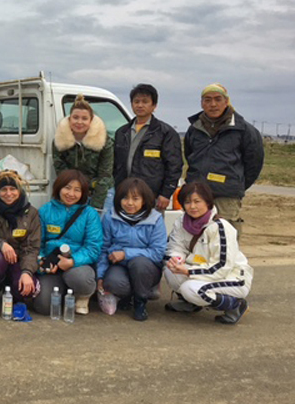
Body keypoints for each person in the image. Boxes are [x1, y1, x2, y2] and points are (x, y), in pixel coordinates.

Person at [163, 181, 253, 324]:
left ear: (208, 202)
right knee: (170, 271)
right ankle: (191, 303)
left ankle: (235, 305)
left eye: (197, 201)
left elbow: (222, 266)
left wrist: (189, 272)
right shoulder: (182, 221)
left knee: (191, 289)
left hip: (231, 277)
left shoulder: (221, 227)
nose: (192, 206)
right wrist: (176, 260)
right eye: (187, 202)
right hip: (200, 269)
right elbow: (175, 246)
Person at [184, 83, 264, 238]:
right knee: (197, 238)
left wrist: (234, 184)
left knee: (225, 240)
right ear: (202, 103)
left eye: (217, 99)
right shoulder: (194, 129)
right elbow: (189, 155)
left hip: (226, 197)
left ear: (226, 102)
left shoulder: (244, 130)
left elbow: (254, 163)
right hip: (198, 194)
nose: (213, 104)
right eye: (207, 100)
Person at [34, 169, 103, 316]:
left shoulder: (90, 213)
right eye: (67, 188)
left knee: (80, 278)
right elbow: (36, 244)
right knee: (44, 307)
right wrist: (42, 263)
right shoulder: (45, 211)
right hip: (53, 265)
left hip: (77, 265)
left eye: (77, 190)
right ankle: (63, 291)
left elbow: (93, 248)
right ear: (58, 188)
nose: (71, 194)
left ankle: (82, 295)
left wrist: (72, 262)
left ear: (83, 193)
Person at [97, 177, 166, 321]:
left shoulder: (155, 219)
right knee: (113, 282)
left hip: (146, 266)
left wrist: (126, 253)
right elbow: (104, 248)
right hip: (119, 265)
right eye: (125, 198)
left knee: (138, 263)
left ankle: (141, 301)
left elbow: (158, 252)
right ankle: (126, 296)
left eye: (135, 199)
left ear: (144, 200)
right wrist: (100, 275)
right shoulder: (111, 217)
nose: (129, 203)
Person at [113, 83, 183, 212]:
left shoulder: (166, 133)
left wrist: (166, 194)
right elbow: (115, 164)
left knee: (150, 229)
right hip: (125, 196)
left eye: (145, 102)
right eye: (136, 101)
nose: (140, 105)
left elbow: (174, 166)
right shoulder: (122, 132)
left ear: (154, 105)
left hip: (152, 196)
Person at [0, 170, 41, 312]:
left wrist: (27, 272)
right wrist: (0, 244)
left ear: (19, 190)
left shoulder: (31, 213)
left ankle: (13, 291)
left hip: (19, 259)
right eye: (4, 189)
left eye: (13, 189)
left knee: (22, 290)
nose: (8, 193)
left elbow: (32, 247)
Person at [53, 93, 114, 209]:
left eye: (84, 118)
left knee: (98, 222)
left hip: (101, 189)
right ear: (69, 119)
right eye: (75, 117)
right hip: (72, 190)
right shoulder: (59, 140)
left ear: (91, 121)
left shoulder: (104, 141)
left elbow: (105, 174)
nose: (79, 122)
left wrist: (96, 206)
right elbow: (60, 170)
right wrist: (74, 193)